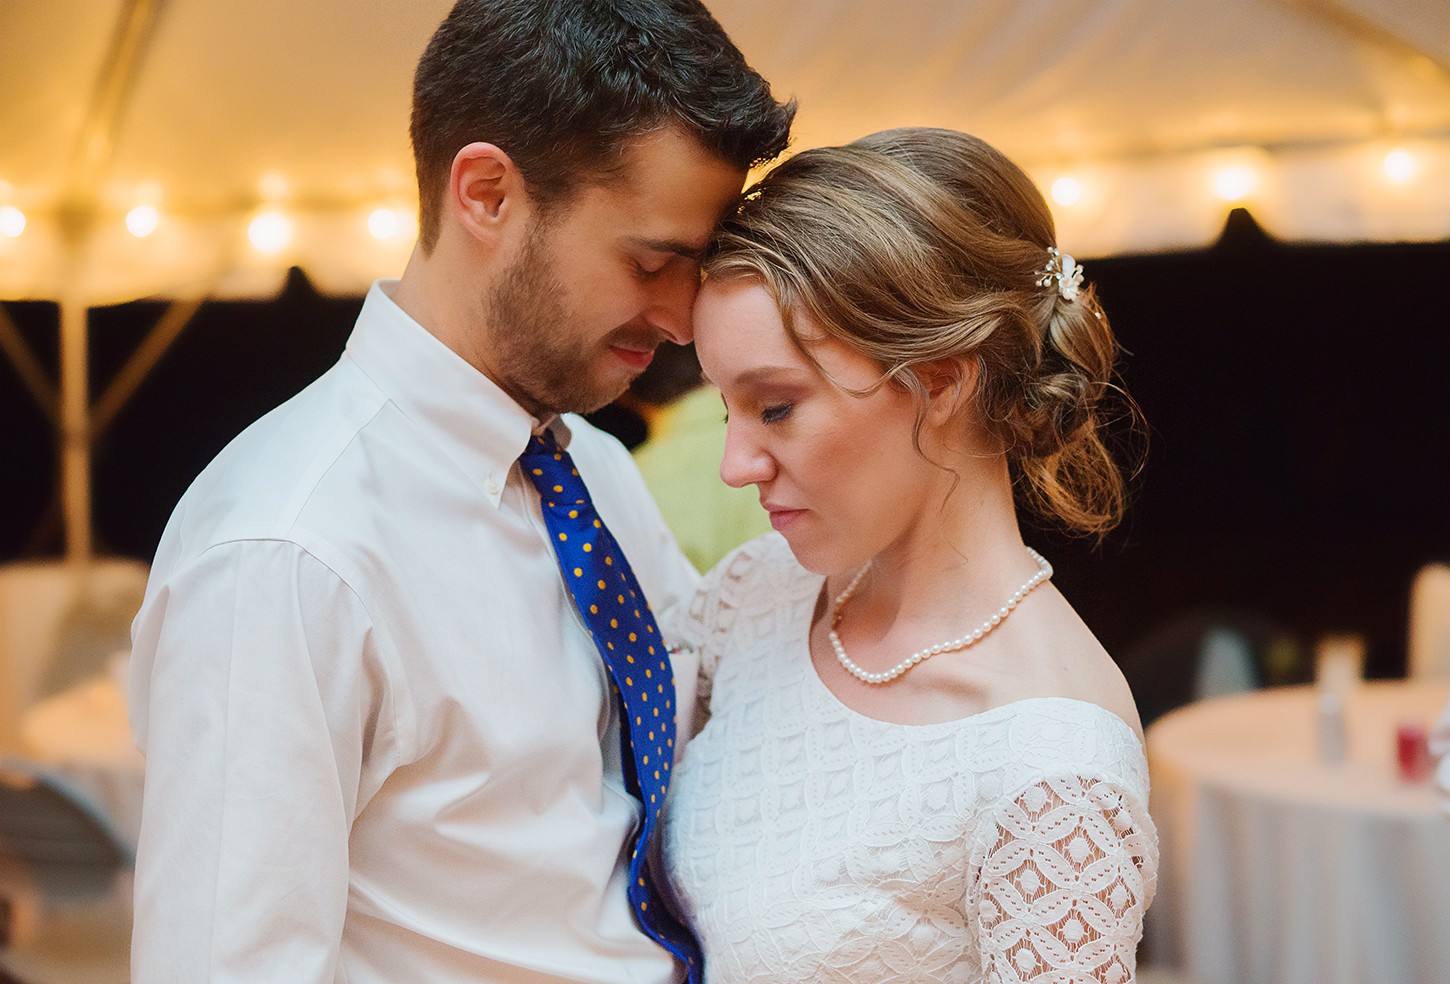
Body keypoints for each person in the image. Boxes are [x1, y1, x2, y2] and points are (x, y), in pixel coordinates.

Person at [127, 2, 792, 981]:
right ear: (485, 193)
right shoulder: (287, 552)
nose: (682, 322)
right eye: (652, 263)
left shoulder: (593, 471)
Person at [661, 128, 1157, 982]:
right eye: (726, 411)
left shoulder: (1055, 775)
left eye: (774, 409)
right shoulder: (758, 595)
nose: (735, 465)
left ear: (940, 380)